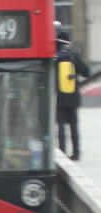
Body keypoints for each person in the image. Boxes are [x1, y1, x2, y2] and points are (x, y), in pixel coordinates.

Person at [56, 31, 91, 161]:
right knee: (73, 127)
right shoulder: (73, 56)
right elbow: (87, 72)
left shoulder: (54, 57)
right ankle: (76, 153)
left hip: (59, 99)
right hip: (72, 98)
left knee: (60, 128)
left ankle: (61, 153)